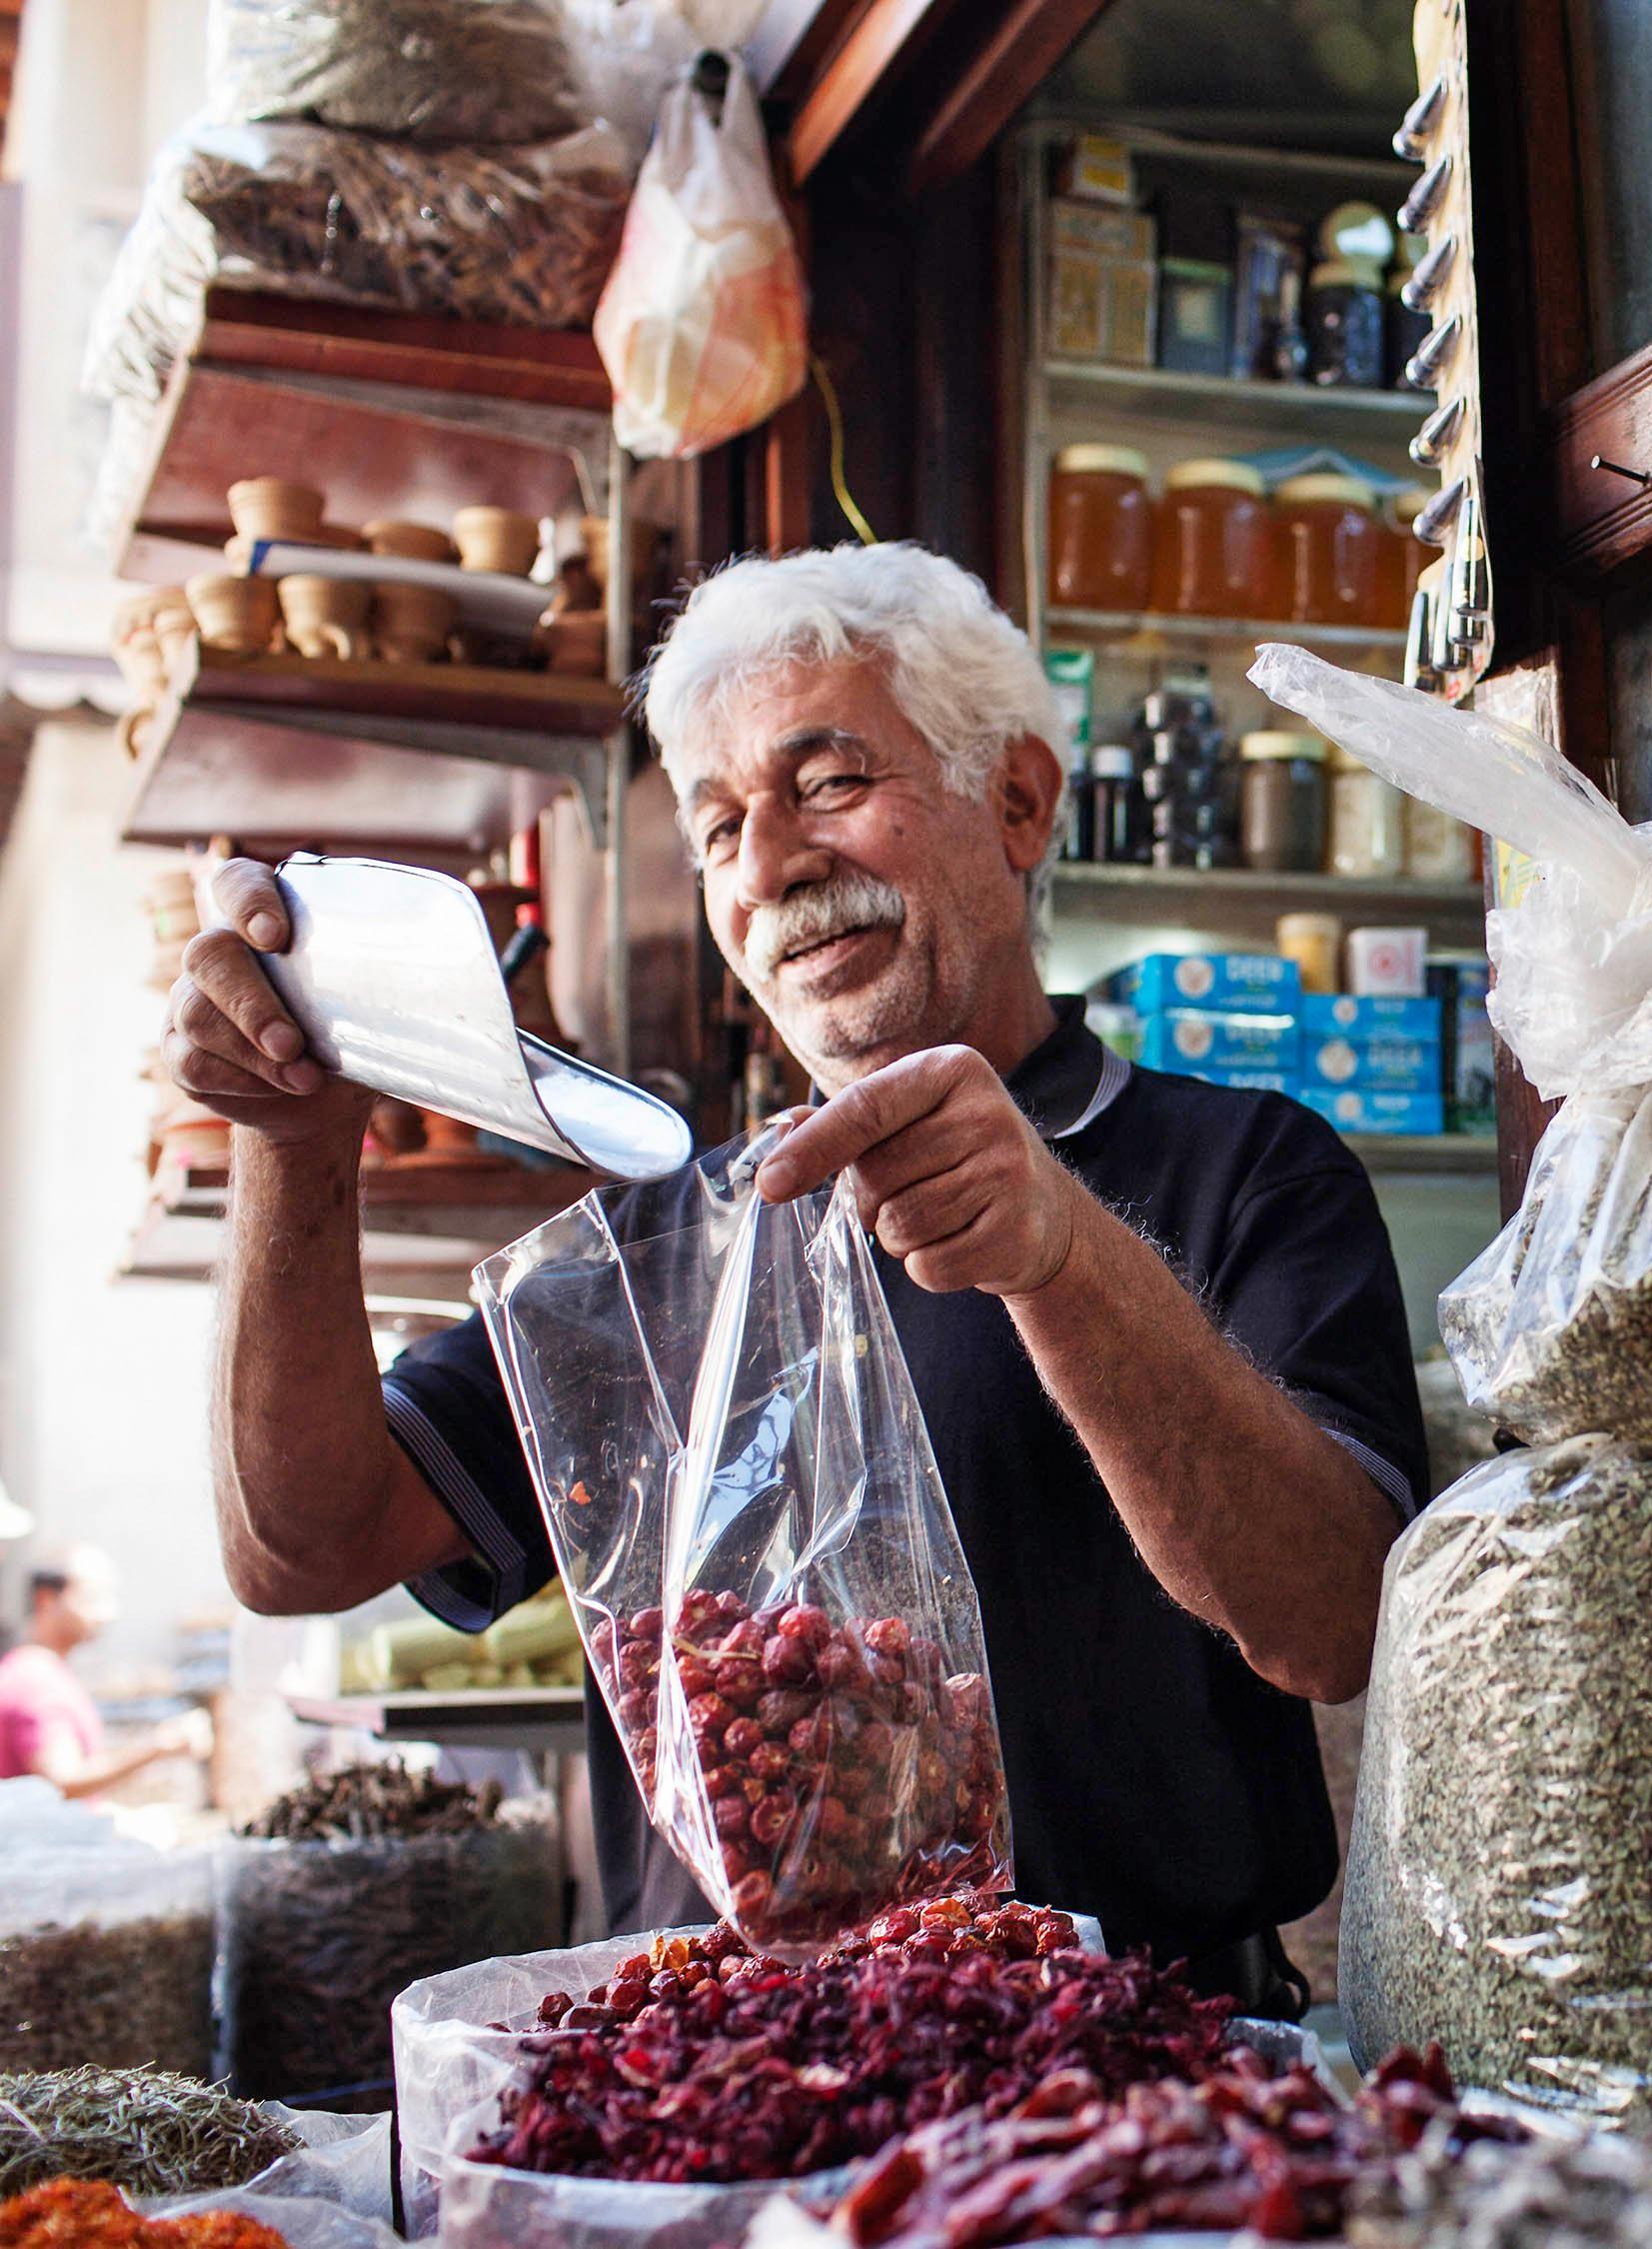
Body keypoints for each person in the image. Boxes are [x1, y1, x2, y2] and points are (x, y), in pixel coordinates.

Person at [170, 545, 1423, 2013]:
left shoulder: (1250, 1170)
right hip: (733, 2088)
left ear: (1018, 800)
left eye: (828, 782)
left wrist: (1063, 1251)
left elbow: (1337, 1617)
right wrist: (291, 1141)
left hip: (1148, 2082)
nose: (770, 865)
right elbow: (297, 1545)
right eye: (719, 829)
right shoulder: (659, 1247)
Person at [0, 1548, 211, 1796]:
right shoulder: (35, 1681)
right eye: (92, 1598)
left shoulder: (44, 1671)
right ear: (46, 1599)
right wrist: (160, 1746)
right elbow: (62, 1782)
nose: (107, 1614)